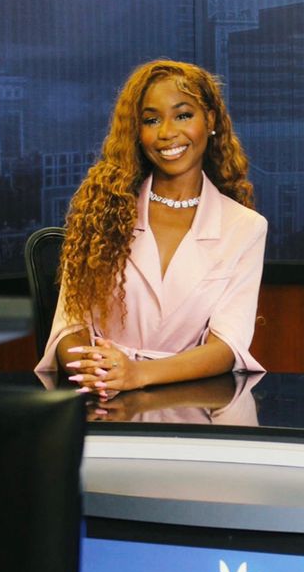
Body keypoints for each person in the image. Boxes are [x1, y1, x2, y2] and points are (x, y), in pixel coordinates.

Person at [35, 59, 267, 399]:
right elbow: (69, 328)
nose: (167, 133)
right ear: (137, 132)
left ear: (211, 121)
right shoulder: (98, 212)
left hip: (191, 406)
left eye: (183, 115)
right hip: (100, 402)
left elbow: (227, 347)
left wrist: (137, 374)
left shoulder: (246, 228)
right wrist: (103, 373)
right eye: (151, 119)